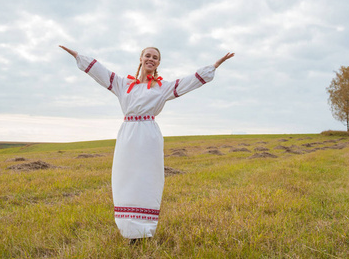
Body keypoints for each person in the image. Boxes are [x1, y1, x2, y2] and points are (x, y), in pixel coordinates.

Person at [59, 45, 234, 241]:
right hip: (127, 136)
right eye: (148, 55)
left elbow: (189, 81)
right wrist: (78, 56)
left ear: (158, 63)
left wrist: (215, 66)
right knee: (124, 179)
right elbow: (100, 72)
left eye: (155, 57)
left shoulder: (163, 87)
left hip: (149, 136)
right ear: (141, 58)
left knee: (148, 180)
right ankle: (128, 230)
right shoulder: (122, 84)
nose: (151, 59)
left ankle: (145, 231)